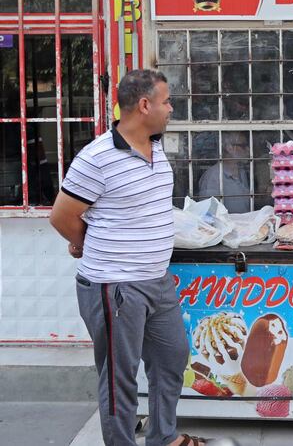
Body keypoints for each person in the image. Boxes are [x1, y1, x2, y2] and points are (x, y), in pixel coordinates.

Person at [49, 69, 207, 446]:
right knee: (120, 378)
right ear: (144, 105)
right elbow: (61, 216)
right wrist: (88, 244)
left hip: (157, 280)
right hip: (115, 286)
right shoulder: (98, 157)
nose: (171, 109)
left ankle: (162, 437)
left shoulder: (156, 147)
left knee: (171, 359)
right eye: (167, 101)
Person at [198, 130, 251, 213]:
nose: (248, 149)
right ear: (229, 148)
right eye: (243, 145)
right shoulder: (213, 176)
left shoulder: (241, 172)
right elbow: (209, 213)